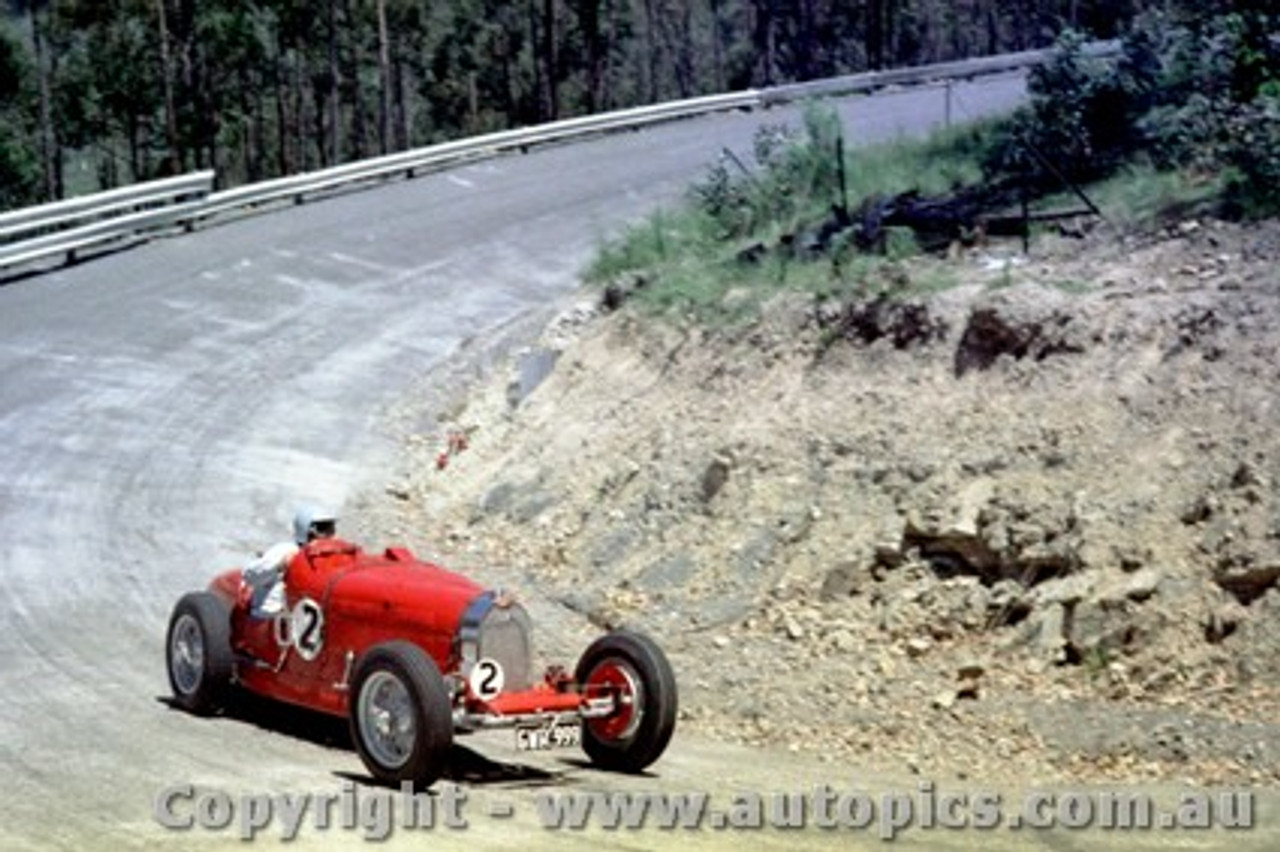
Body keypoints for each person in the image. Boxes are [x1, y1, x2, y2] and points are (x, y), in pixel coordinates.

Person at [243, 505, 337, 618]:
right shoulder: (286, 550)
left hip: (303, 623)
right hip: (269, 621)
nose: (329, 534)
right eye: (323, 528)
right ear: (308, 530)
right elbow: (250, 577)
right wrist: (280, 565)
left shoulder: (330, 557)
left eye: (330, 528)